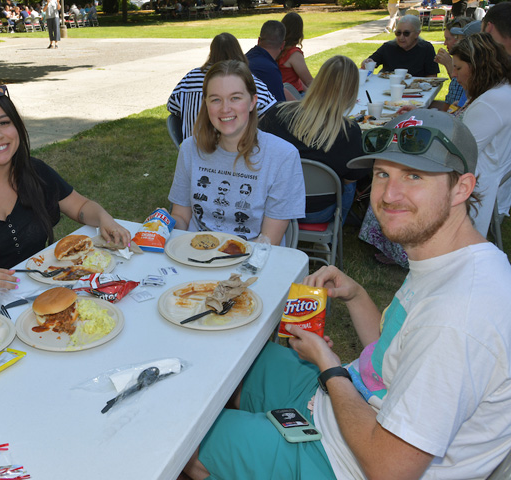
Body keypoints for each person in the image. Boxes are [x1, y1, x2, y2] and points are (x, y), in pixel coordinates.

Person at [184, 108, 511, 480]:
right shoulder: (451, 259)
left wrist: (328, 366)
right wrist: (356, 296)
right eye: (383, 173)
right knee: (228, 364)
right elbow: (391, 356)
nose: (389, 194)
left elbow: (390, 469)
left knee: (181, 441)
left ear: (462, 188)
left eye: (414, 176)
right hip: (345, 404)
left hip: (343, 462)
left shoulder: (460, 316)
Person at [0, 86, 130, 296]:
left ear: (17, 128)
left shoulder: (34, 171)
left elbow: (81, 206)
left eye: (4, 123)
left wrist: (104, 218)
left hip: (40, 291)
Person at [168, 60, 304, 245]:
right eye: (216, 99)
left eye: (235, 98)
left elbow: (269, 239)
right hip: (196, 252)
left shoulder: (282, 156)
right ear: (206, 104)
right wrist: (164, 225)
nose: (225, 108)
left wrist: (221, 257)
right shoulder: (189, 149)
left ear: (252, 102)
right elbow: (181, 216)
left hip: (252, 259)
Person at [260, 56, 366, 225]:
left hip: (274, 204)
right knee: (349, 183)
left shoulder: (277, 113)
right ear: (351, 91)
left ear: (318, 81)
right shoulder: (349, 131)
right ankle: (337, 230)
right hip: (317, 212)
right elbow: (350, 179)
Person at [449, 32, 511, 236]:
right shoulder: (499, 89)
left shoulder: (489, 102)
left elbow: (460, 153)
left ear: (477, 66)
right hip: (484, 174)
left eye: (458, 68)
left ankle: (401, 247)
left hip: (475, 182)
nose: (454, 75)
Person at [167, 32, 276, 141]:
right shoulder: (247, 81)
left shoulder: (189, 78)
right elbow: (273, 111)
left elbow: (172, 106)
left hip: (193, 145)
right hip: (237, 151)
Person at [363, 15, 440, 77]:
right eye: (398, 33)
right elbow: (370, 62)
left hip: (416, 91)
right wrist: (367, 62)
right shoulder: (388, 47)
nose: (401, 37)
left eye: (406, 33)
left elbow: (432, 76)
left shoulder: (426, 49)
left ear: (417, 33)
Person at [429, 17, 476, 112]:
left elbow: (455, 101)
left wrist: (450, 66)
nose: (445, 43)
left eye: (448, 39)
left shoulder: (470, 68)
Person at [246, 20, 286, 106]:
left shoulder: (247, 58)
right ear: (282, 45)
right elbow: (280, 108)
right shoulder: (270, 70)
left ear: (259, 40)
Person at [276, 12, 313, 95]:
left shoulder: (276, 49)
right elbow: (309, 82)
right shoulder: (294, 54)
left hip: (280, 95)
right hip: (294, 96)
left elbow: (298, 80)